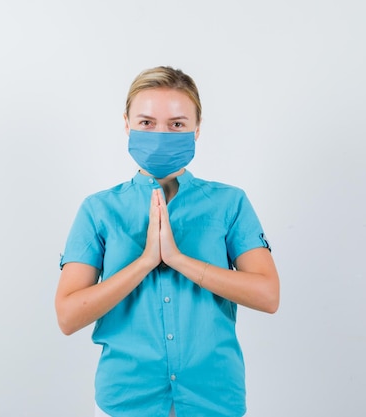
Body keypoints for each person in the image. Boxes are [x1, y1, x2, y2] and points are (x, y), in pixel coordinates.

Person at [55, 66, 280, 417]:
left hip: (214, 397)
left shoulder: (230, 203)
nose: (161, 134)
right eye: (146, 122)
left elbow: (267, 295)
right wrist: (145, 261)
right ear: (127, 124)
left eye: (176, 124)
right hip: (126, 400)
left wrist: (178, 259)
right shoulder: (98, 210)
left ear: (197, 129)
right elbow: (68, 316)